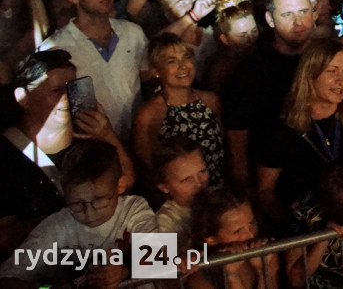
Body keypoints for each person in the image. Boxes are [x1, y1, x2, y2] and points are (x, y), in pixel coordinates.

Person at [0, 50, 135, 260]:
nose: (66, 98)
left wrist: (108, 136)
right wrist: (68, 218)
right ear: (23, 97)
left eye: (71, 89)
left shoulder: (89, 137)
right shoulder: (4, 155)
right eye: (55, 90)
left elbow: (125, 182)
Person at [0, 139, 157, 288]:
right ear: (65, 193)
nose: (89, 212)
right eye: (77, 203)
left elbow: (162, 259)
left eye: (99, 199)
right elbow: (7, 279)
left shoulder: (134, 209)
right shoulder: (57, 226)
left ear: (120, 186)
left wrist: (125, 270)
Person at [255, 38, 343, 233]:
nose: (341, 80)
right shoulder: (280, 129)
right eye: (332, 71)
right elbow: (265, 192)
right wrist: (301, 226)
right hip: (308, 237)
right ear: (310, 74)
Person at [38, 0, 150, 143]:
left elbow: (147, 78)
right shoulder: (55, 48)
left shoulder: (133, 32)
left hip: (139, 140)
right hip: (95, 151)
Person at [222, 0, 314, 188]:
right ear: (269, 19)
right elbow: (237, 142)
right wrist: (247, 192)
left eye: (303, 11)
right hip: (277, 187)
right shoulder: (250, 72)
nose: (298, 22)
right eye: (287, 14)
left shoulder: (328, 60)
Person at [133, 33, 226, 186]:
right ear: (157, 71)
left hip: (216, 192)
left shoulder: (211, 101)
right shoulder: (149, 115)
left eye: (187, 58)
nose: (182, 66)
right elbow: (147, 169)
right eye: (172, 61)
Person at [188, 187, 279, 289]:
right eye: (237, 231)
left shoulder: (264, 251)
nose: (250, 235)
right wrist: (232, 276)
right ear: (211, 239)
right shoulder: (200, 276)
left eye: (252, 223)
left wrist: (263, 271)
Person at [152, 135, 211, 237]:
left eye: (202, 171)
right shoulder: (164, 225)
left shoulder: (219, 197)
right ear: (164, 187)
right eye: (186, 180)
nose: (199, 183)